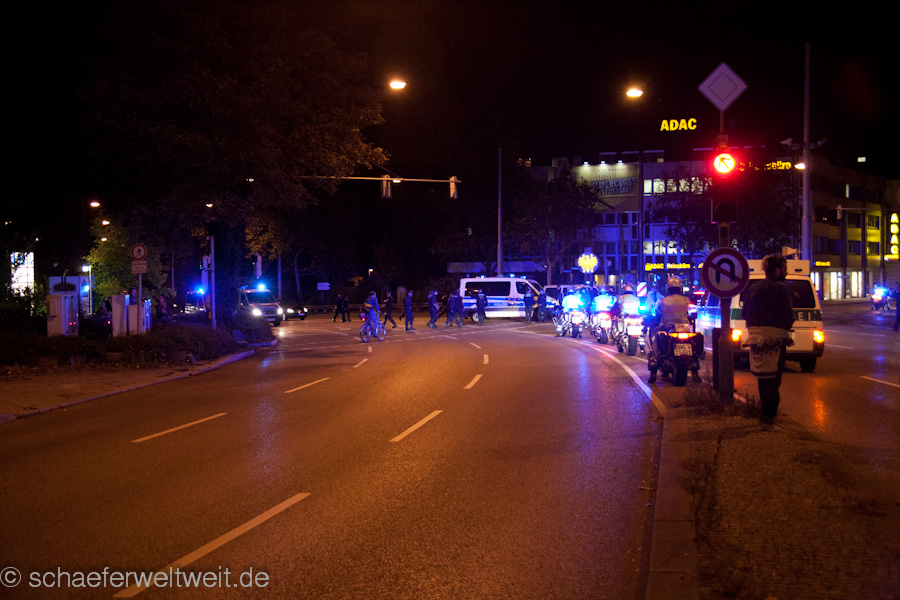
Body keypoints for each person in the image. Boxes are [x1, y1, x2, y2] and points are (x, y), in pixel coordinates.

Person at [741, 254, 795, 430]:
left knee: (763, 378)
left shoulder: (753, 288)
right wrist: (785, 325)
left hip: (756, 339)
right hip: (775, 339)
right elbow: (788, 315)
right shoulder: (781, 289)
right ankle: (768, 419)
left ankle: (765, 417)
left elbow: (744, 313)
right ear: (777, 270)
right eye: (785, 269)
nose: (786, 272)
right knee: (774, 380)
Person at [647, 276, 695, 384]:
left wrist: (652, 322)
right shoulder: (686, 300)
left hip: (668, 329)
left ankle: (653, 372)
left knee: (655, 344)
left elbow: (657, 315)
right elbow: (692, 315)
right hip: (685, 329)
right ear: (680, 288)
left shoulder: (663, 301)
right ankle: (695, 370)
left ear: (668, 288)